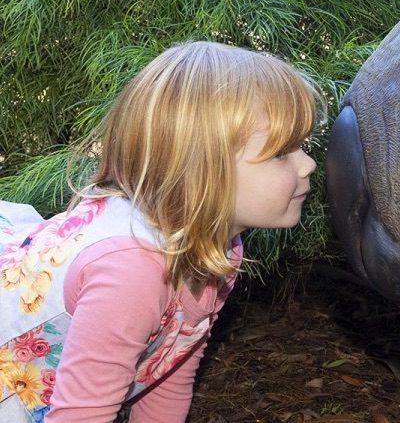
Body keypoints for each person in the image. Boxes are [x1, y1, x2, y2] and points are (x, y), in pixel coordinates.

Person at [0, 41, 324, 422]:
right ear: (200, 168)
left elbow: (167, 371)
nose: (309, 165)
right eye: (281, 153)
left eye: (302, 146)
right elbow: (81, 415)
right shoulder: (131, 272)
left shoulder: (219, 246)